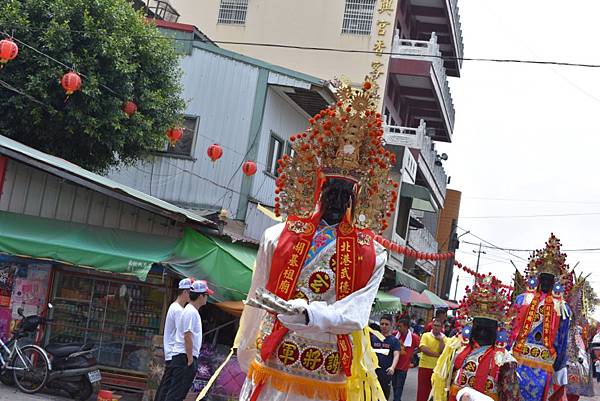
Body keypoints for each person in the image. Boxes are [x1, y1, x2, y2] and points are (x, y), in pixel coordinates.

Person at [235, 80, 394, 401]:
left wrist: (310, 313)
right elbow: (256, 298)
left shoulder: (373, 254)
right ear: (316, 188)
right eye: (331, 191)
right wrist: (245, 346)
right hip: (273, 359)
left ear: (358, 197)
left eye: (345, 194)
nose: (337, 200)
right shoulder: (276, 237)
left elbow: (356, 313)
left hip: (325, 368)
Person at [431, 275, 520, 401]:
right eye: (479, 327)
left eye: (488, 328)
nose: (483, 332)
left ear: (497, 330)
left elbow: (511, 396)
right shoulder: (456, 350)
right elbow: (444, 381)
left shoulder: (505, 360)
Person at [511, 235, 571, 401]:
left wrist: (559, 364)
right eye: (542, 278)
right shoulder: (522, 300)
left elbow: (562, 338)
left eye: (549, 279)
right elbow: (511, 329)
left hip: (544, 360)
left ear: (555, 281)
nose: (545, 282)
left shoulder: (562, 308)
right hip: (518, 357)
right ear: (537, 278)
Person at [164, 280, 212, 401]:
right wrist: (190, 358)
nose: (207, 298)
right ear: (201, 296)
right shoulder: (191, 312)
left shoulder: (190, 311)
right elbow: (187, 335)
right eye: (206, 295)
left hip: (183, 356)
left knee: (177, 392)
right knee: (176, 393)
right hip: (184, 356)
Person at [155, 278, 192, 401]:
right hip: (174, 352)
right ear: (185, 292)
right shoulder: (178, 310)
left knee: (166, 384)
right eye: (190, 292)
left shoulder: (174, 307)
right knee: (169, 387)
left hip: (171, 352)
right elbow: (183, 332)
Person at [371, 315, 400, 399]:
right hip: (373, 372)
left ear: (391, 325)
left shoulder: (394, 341)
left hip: (386, 373)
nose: (384, 326)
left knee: (383, 395)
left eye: (386, 324)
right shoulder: (373, 338)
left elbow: (396, 355)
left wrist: (392, 367)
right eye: (382, 324)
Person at [416, 318, 445, 401]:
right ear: (432, 326)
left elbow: (442, 351)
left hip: (437, 369)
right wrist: (437, 355)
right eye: (435, 325)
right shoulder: (426, 335)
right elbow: (423, 349)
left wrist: (441, 341)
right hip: (424, 366)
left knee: (435, 391)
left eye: (438, 326)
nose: (436, 327)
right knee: (422, 391)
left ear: (441, 327)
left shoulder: (444, 338)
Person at [393, 317, 419, 401]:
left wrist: (412, 353)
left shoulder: (413, 337)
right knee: (394, 385)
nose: (398, 328)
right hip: (393, 365)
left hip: (403, 366)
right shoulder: (394, 334)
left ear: (406, 327)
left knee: (399, 386)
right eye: (398, 326)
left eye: (400, 326)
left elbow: (420, 347)